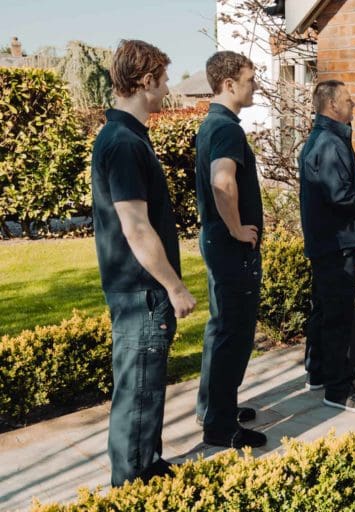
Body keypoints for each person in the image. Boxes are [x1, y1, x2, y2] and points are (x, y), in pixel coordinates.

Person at [91, 39, 197, 486]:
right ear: (146, 80)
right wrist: (174, 286)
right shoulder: (122, 142)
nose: (168, 88)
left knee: (147, 389)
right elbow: (135, 228)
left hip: (139, 288)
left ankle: (149, 466)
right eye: (165, 79)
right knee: (137, 391)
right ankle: (132, 487)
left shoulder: (127, 137)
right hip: (142, 291)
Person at [194, 51, 267, 448]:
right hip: (229, 246)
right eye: (250, 78)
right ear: (229, 84)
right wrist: (239, 229)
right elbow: (223, 183)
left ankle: (214, 406)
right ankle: (221, 427)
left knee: (221, 328)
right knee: (233, 334)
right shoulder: (226, 130)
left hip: (217, 243)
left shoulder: (212, 124)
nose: (254, 85)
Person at [299, 80, 355, 412]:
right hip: (337, 243)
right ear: (332, 105)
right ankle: (339, 390)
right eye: (348, 101)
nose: (353, 106)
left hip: (324, 242)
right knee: (338, 317)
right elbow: (341, 198)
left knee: (323, 311)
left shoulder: (318, 139)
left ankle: (317, 372)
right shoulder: (331, 143)